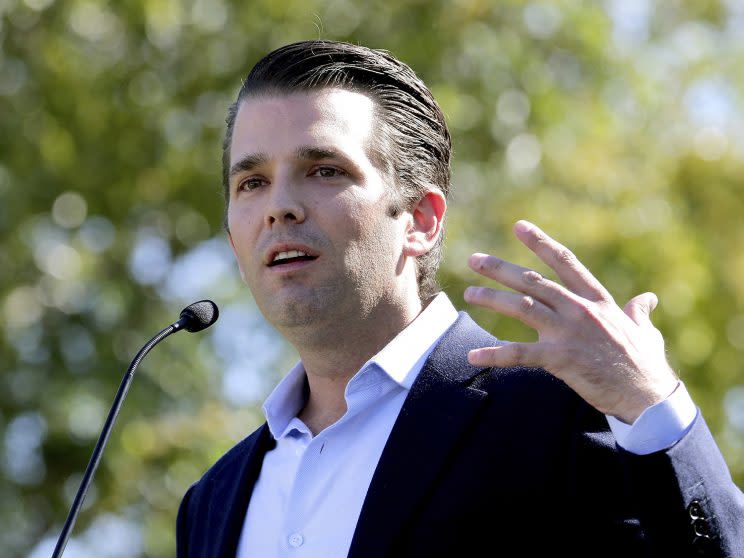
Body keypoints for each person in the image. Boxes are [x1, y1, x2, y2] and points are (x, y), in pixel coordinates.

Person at [176, 40, 743, 557]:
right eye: (251, 182)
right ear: (231, 234)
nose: (280, 207)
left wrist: (652, 407)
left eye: (324, 170)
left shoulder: (564, 414)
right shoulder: (210, 502)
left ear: (420, 219)